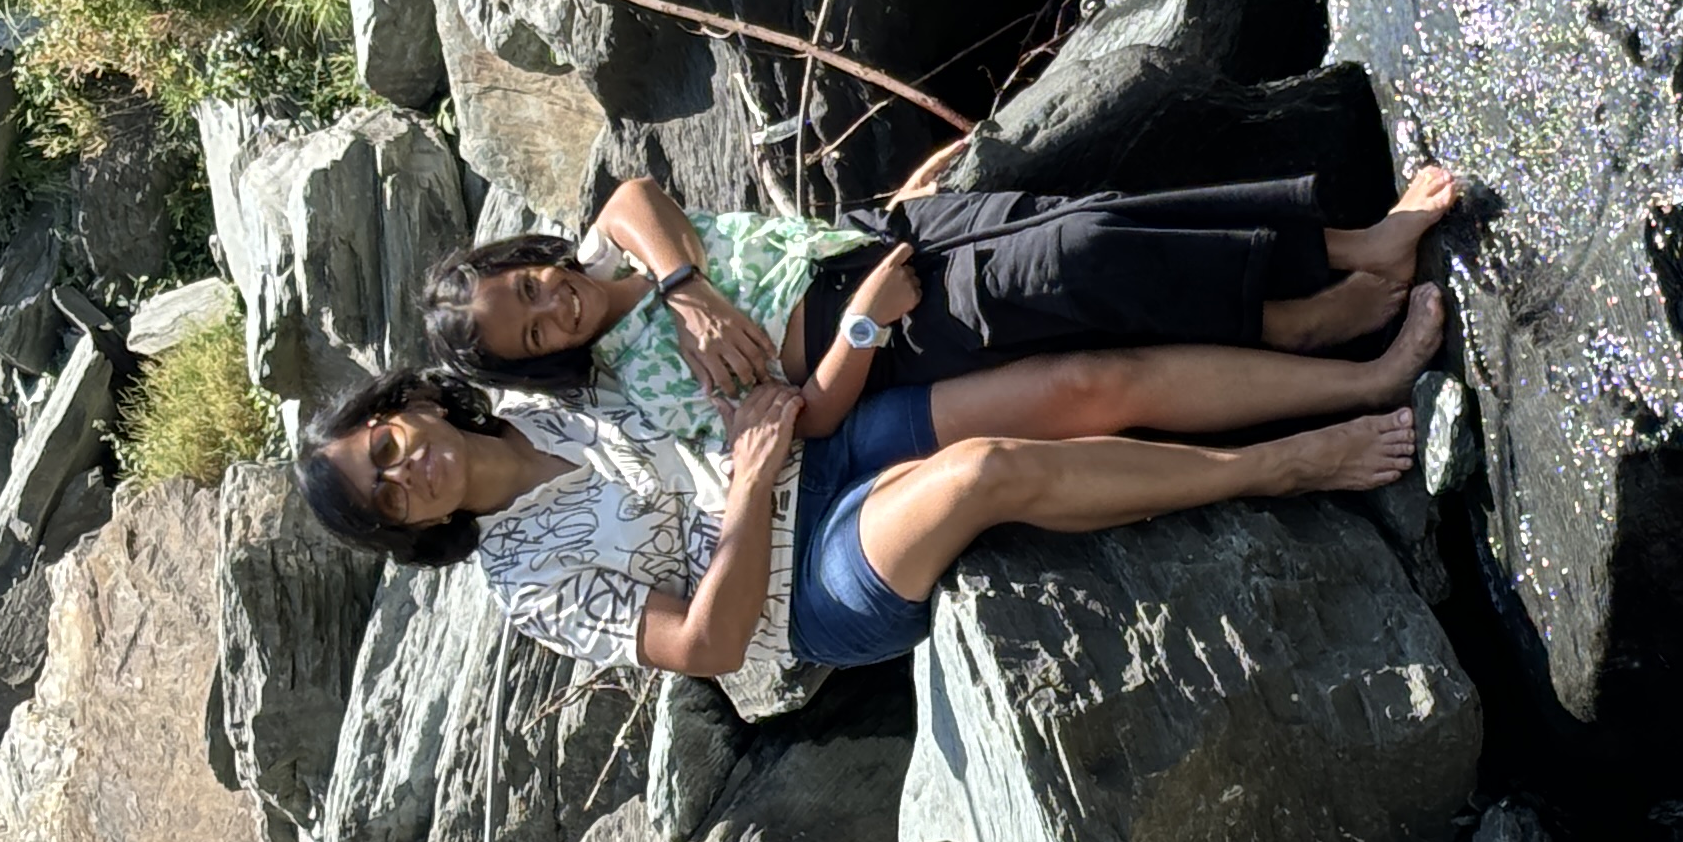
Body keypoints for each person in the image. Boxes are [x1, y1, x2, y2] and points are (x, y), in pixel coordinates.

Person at [295, 290, 1447, 679]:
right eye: (391, 496)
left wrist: (691, 290)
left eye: (387, 448)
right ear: (418, 529)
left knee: (1078, 380)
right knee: (984, 474)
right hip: (806, 590)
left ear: (402, 410)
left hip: (816, 446)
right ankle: (1287, 465)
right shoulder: (527, 581)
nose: (410, 470)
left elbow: (602, 240)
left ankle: (1352, 369)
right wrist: (748, 487)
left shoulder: (534, 393)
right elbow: (706, 646)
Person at [419, 145, 1462, 455]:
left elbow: (635, 195)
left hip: (886, 233)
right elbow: (805, 421)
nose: (552, 305)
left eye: (527, 285)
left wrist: (686, 286)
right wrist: (867, 322)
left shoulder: (614, 252)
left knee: (1092, 212)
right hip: (885, 322)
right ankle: (1308, 324)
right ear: (535, 364)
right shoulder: (642, 390)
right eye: (533, 331)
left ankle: (1355, 241)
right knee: (1085, 256)